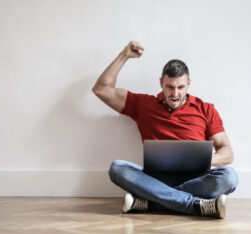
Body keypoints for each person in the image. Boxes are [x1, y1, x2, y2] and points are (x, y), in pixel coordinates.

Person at [92, 41, 238, 219]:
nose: (175, 94)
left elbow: (228, 152)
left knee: (229, 177)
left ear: (188, 84)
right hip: (155, 179)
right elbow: (101, 89)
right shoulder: (143, 104)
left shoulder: (205, 109)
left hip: (195, 179)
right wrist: (124, 55)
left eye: (180, 87)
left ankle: (152, 202)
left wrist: (204, 159)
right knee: (117, 168)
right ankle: (195, 205)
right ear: (161, 83)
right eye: (170, 87)